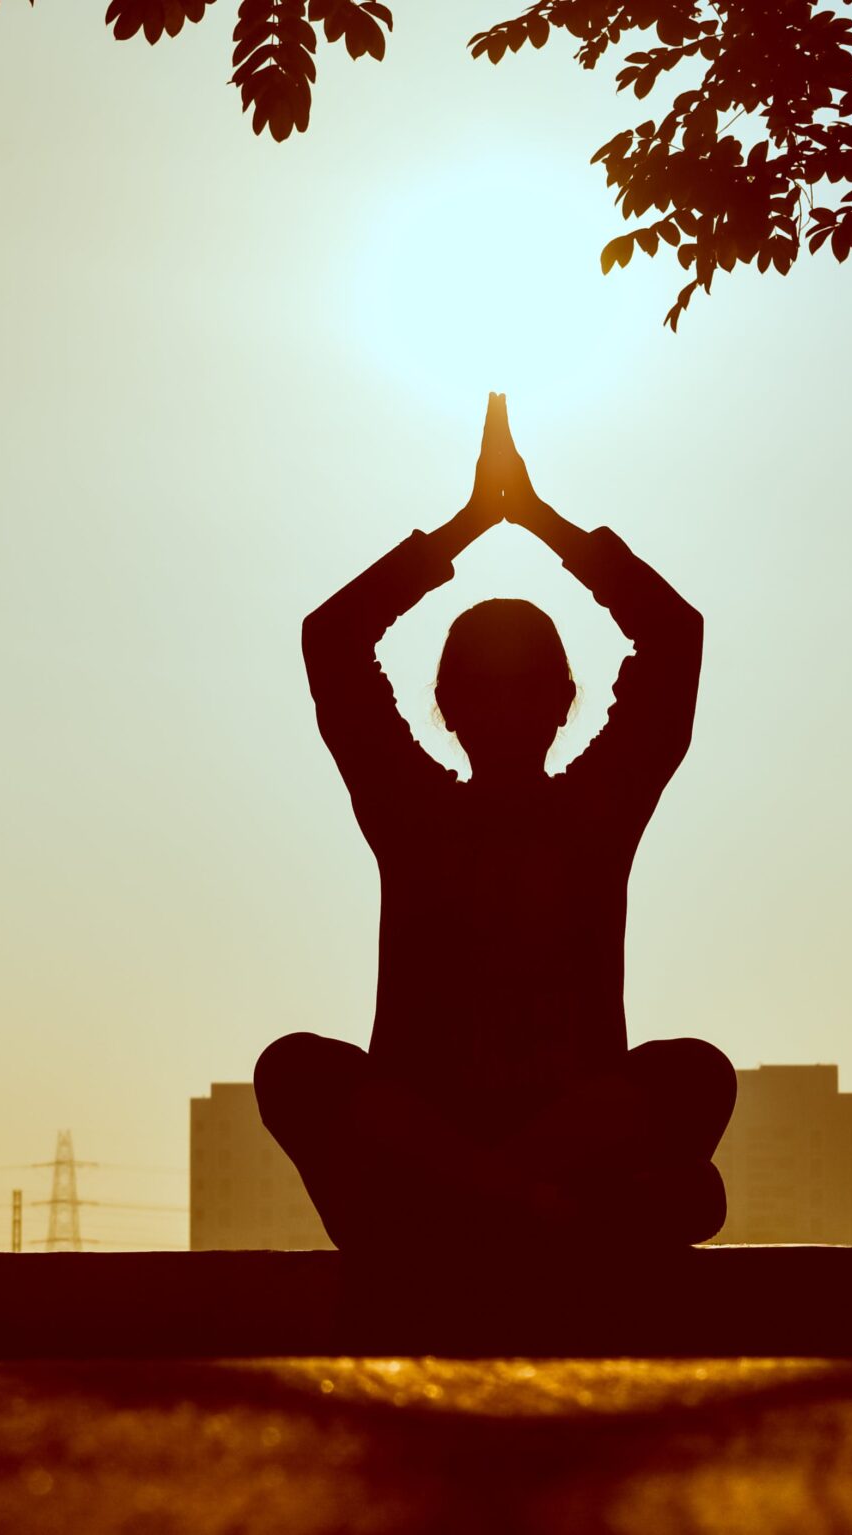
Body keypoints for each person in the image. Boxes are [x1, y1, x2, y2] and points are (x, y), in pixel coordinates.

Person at [258, 394, 736, 1250]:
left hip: (510, 1164)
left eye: (524, 687)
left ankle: (493, 1200)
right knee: (293, 1068)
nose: (508, 707)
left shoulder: (593, 812)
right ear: (446, 705)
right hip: (442, 1155)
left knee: (698, 1073)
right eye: (487, 686)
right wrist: (481, 523)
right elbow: (330, 640)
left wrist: (532, 521)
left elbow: (675, 636)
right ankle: (520, 1202)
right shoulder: (416, 811)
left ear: (561, 703)